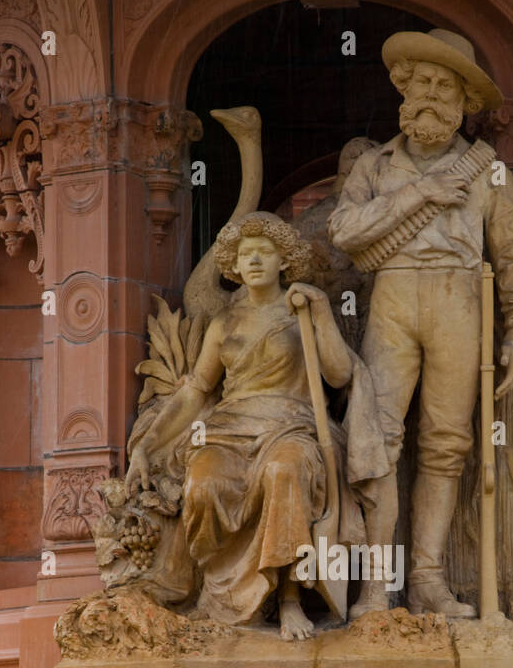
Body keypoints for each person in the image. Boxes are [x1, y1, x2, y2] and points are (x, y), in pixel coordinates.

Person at [328, 28, 513, 619]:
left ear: (462, 102)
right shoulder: (377, 166)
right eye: (420, 81)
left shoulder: (487, 172)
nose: (428, 94)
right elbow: (343, 233)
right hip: (393, 298)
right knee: (378, 443)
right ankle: (375, 587)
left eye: (443, 85)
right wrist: (419, 192)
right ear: (403, 89)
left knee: (446, 448)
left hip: (459, 302)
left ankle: (425, 580)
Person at [124, 211, 388, 638]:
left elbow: (339, 375)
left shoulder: (302, 309)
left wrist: (321, 311)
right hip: (230, 428)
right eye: (246, 254)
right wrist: (147, 445)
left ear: (284, 260)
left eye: (264, 252)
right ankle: (222, 596)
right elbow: (196, 390)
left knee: (285, 472)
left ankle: (288, 600)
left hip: (291, 426)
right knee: (203, 485)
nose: (254, 261)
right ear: (233, 263)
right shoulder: (224, 322)